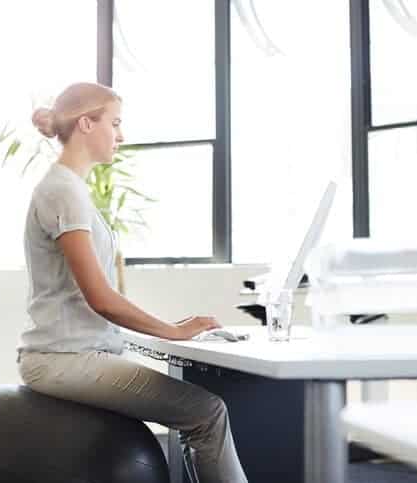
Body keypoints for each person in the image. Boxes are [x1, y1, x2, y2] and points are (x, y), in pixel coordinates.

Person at [18, 82, 248, 483]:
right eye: (116, 123)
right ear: (87, 124)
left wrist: (168, 329)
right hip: (63, 360)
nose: (121, 135)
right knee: (208, 413)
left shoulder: (70, 189)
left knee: (199, 411)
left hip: (74, 354)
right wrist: (173, 331)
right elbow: (101, 299)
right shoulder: (63, 191)